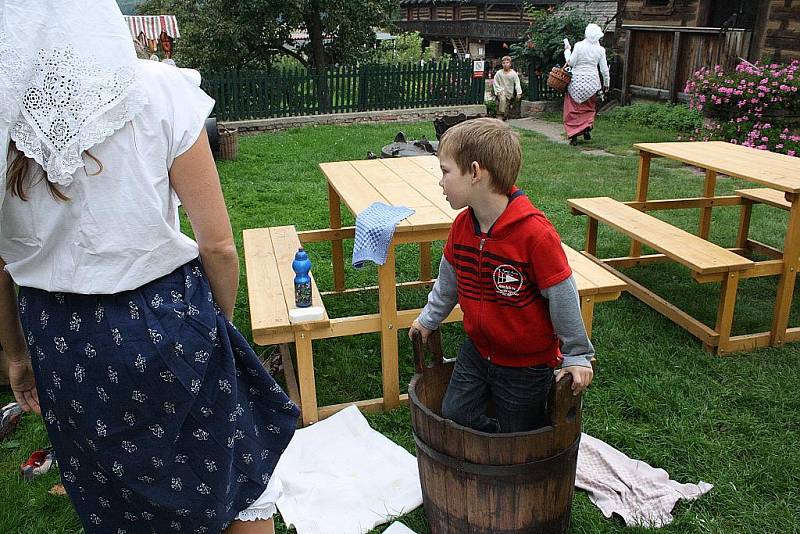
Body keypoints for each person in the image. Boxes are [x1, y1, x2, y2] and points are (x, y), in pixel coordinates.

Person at [0, 2, 298, 533]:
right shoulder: (154, 89)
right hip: (164, 318)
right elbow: (219, 246)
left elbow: (1, 268)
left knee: (118, 499)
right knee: (233, 478)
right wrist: (218, 319)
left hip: (61, 340)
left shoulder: (4, 116)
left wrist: (17, 356)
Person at [408, 118, 594, 433]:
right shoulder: (462, 228)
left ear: (476, 172)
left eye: (445, 171)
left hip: (526, 364)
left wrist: (576, 354)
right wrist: (428, 319)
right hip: (477, 350)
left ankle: (507, 456)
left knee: (520, 431)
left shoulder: (534, 235)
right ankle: (492, 449)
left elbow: (563, 295)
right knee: (455, 414)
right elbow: (448, 285)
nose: (440, 182)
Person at [563, 23, 610, 145]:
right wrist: (607, 83)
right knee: (588, 108)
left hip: (576, 82)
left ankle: (574, 135)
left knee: (572, 109)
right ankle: (586, 127)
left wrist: (567, 51)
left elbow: (571, 63)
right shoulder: (600, 50)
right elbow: (604, 70)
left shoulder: (578, 46)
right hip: (592, 84)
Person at [492, 56, 522, 121]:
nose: (505, 64)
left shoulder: (513, 73)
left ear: (510, 64)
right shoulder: (499, 73)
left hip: (509, 92)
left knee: (506, 105)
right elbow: (495, 82)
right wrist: (498, 91)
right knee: (502, 99)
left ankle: (505, 115)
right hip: (501, 91)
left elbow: (517, 83)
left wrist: (519, 92)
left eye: (507, 63)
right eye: (504, 63)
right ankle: (500, 115)